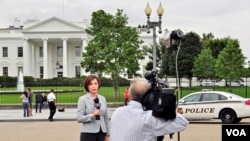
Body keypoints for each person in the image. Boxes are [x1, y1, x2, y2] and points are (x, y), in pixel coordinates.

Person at [110, 79, 189, 141]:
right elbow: (182, 122)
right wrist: (162, 106)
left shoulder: (117, 113)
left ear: (130, 95)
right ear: (149, 98)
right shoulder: (148, 119)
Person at [76, 74, 110, 141]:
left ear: (98, 85)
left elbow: (106, 118)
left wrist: (108, 134)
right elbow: (79, 118)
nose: (94, 86)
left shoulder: (102, 99)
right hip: (88, 133)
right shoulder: (83, 99)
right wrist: (92, 115)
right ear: (87, 86)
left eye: (95, 83)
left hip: (102, 133)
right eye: (91, 84)